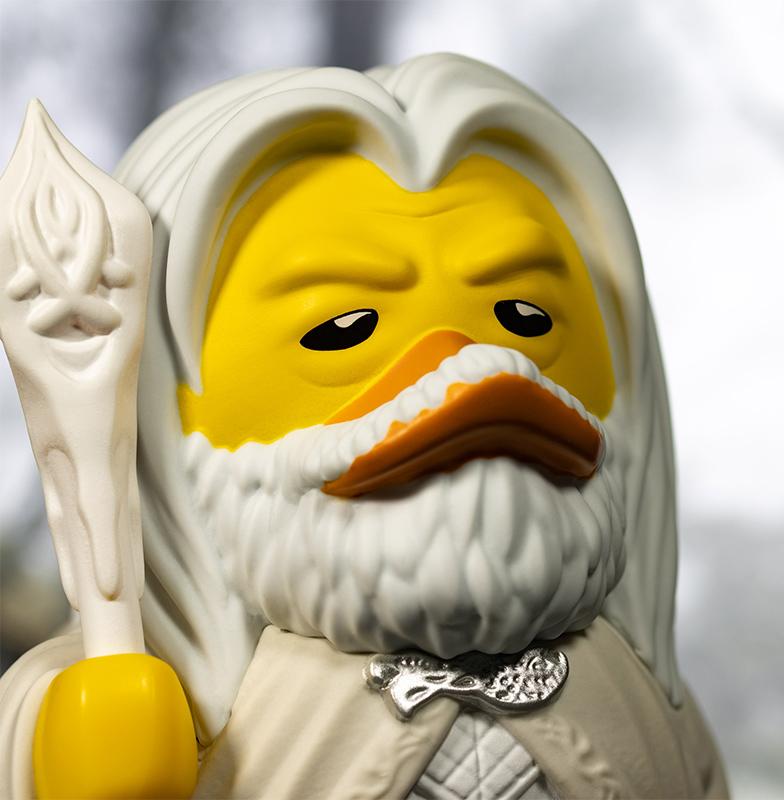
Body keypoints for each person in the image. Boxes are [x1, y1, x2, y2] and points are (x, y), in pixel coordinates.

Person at [0, 53, 727, 799]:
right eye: (342, 329)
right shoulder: (159, 698)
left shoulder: (641, 710)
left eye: (526, 318)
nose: (473, 369)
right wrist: (73, 749)